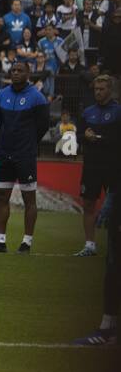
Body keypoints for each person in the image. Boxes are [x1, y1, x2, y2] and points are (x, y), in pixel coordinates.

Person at [0, 60, 50, 254]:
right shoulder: (2, 95)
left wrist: (28, 143)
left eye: (20, 70)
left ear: (28, 73)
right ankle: (0, 242)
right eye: (13, 70)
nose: (15, 73)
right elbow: (0, 121)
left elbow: (43, 126)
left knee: (29, 199)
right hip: (4, 153)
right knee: (1, 196)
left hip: (25, 155)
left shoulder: (37, 98)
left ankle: (26, 243)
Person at [76, 75, 118, 257]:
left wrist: (98, 138)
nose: (98, 92)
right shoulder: (87, 112)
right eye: (96, 89)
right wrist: (84, 136)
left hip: (114, 166)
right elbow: (77, 137)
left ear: (110, 90)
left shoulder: (118, 111)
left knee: (116, 206)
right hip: (91, 166)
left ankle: (114, 246)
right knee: (88, 203)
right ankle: (90, 245)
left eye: (101, 89)